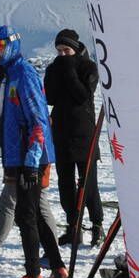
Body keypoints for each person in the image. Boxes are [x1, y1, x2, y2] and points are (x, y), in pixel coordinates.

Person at [0, 25, 66, 278]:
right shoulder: (9, 74)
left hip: (29, 157)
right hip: (18, 155)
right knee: (38, 217)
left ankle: (33, 275)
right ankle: (58, 268)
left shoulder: (24, 74)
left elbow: (39, 121)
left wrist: (32, 160)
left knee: (26, 216)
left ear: (10, 46)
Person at [43, 28, 102, 246]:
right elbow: (49, 97)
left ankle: (97, 225)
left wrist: (68, 71)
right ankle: (73, 227)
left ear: (75, 49)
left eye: (66, 50)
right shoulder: (53, 68)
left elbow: (82, 96)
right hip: (61, 133)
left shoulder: (88, 67)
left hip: (84, 134)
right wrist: (59, 73)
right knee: (65, 186)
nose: (62, 55)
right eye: (59, 51)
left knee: (88, 185)